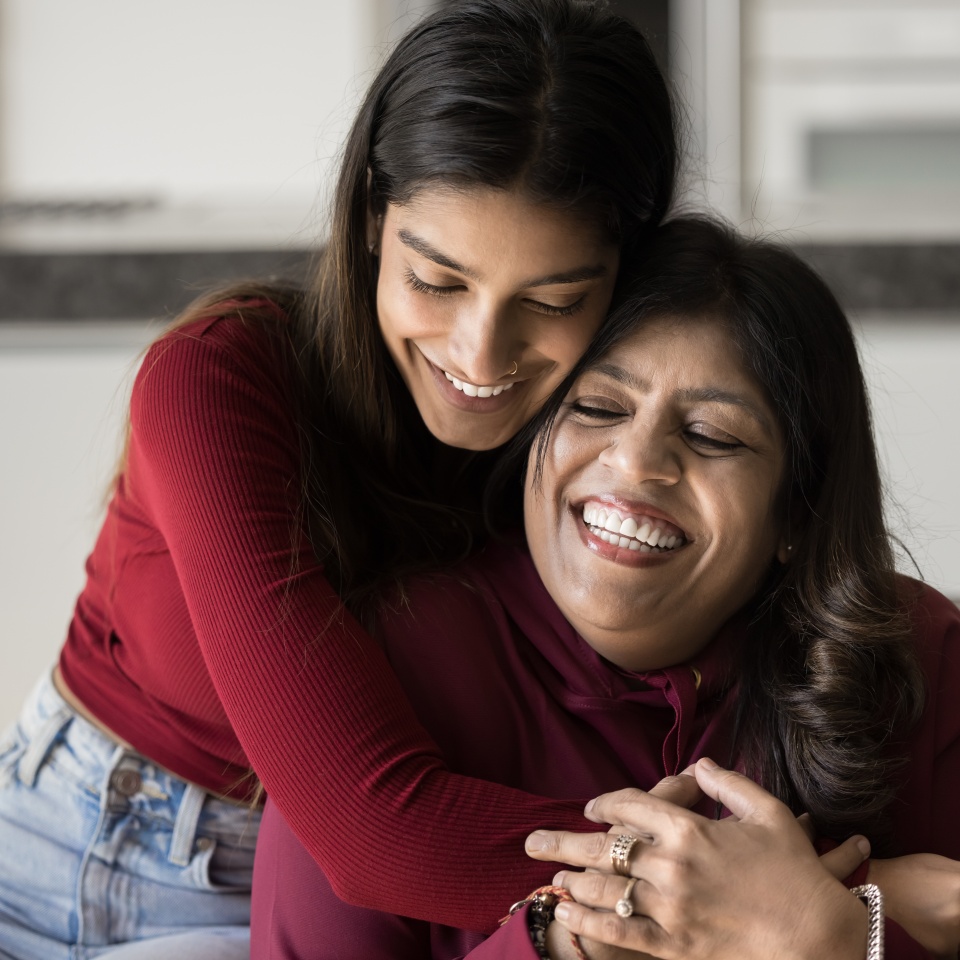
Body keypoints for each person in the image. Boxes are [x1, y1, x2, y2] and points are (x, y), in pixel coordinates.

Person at [0, 2, 678, 958]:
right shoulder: (218, 379)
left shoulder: (613, 443)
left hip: (353, 904)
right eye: (438, 282)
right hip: (70, 851)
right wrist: (777, 889)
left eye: (554, 300)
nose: (480, 355)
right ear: (369, 220)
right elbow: (374, 831)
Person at [250, 217, 960, 960]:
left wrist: (842, 938)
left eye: (714, 436)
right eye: (596, 407)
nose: (637, 463)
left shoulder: (912, 657)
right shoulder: (387, 660)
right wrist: (575, 942)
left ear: (795, 511)